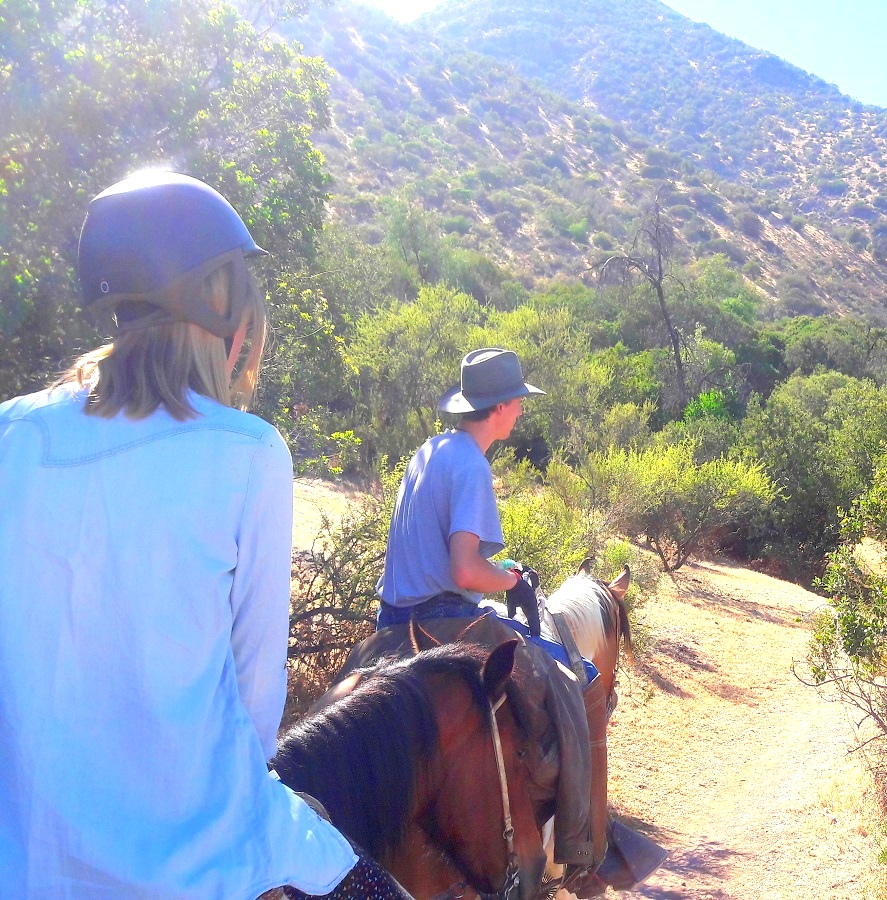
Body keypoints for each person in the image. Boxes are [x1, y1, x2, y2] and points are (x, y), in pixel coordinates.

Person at [0, 171, 380, 898]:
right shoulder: (248, 453)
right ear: (219, 301)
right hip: (193, 864)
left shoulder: (11, 433)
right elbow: (255, 707)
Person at [376, 348, 548, 637]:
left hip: (390, 620)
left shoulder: (430, 449)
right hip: (439, 622)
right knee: (572, 671)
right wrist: (514, 584)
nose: (520, 411)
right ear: (500, 406)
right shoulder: (472, 465)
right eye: (519, 402)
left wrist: (505, 570)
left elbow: (435, 560)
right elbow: (465, 572)